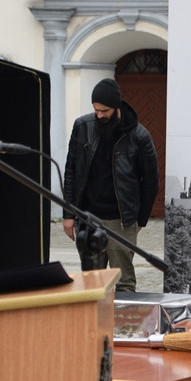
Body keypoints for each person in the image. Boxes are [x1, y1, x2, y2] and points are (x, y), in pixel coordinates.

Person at [62, 78, 159, 292]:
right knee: (91, 284)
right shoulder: (82, 127)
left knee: (124, 283)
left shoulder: (139, 135)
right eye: (96, 110)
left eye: (104, 110)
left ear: (117, 107)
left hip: (121, 221)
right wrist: (68, 214)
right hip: (87, 218)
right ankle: (94, 316)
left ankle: (125, 317)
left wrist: (140, 219)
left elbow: (151, 180)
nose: (99, 115)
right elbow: (71, 172)